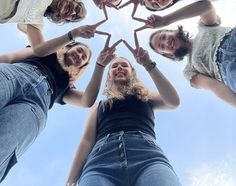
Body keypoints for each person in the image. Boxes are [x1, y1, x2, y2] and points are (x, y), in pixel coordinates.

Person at [0, 31, 122, 183]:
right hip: (16, 74)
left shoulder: (67, 87)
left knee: (5, 143)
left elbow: (86, 101)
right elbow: (10, 58)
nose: (79, 56)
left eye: (84, 58)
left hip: (35, 105)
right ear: (69, 47)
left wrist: (100, 65)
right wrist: (74, 33)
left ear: (82, 67)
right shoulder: (44, 51)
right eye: (79, 50)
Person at [65, 43, 181, 186]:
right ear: (109, 76)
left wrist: (148, 64)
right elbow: (86, 141)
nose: (119, 67)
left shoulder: (145, 97)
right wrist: (71, 180)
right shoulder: (98, 106)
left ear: (132, 72)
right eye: (114, 66)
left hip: (147, 158)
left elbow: (173, 102)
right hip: (100, 163)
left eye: (124, 65)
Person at [147, 0, 236, 107]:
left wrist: (165, 20)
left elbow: (206, 6)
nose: (166, 42)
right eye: (162, 46)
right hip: (227, 68)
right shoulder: (188, 70)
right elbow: (214, 86)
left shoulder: (203, 26)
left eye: (164, 36)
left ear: (172, 30)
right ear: (169, 54)